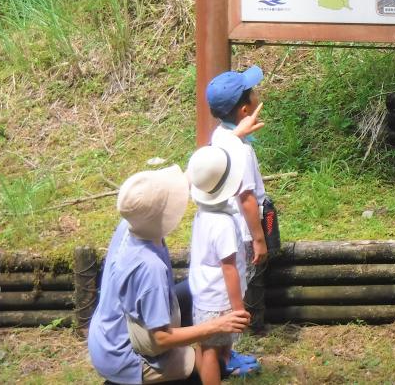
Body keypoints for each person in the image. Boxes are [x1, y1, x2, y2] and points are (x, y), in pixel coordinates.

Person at [87, 166, 250, 384]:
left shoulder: (132, 221)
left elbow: (189, 178)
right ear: (163, 214)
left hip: (107, 335)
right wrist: (217, 325)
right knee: (208, 366)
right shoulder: (149, 267)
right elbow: (160, 338)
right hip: (125, 354)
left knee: (194, 292)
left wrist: (220, 159)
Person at [186, 145, 259, 383]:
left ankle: (221, 367)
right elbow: (228, 268)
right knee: (210, 350)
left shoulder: (203, 212)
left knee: (206, 345)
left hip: (204, 293)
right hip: (218, 301)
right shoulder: (223, 224)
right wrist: (238, 309)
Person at [206, 66, 272, 280]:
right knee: (251, 291)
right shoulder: (241, 150)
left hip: (227, 230)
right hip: (245, 234)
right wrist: (259, 239)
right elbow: (246, 197)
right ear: (245, 110)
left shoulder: (220, 135)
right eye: (253, 92)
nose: (257, 94)